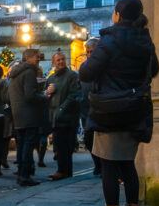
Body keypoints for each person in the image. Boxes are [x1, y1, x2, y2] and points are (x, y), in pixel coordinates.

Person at [79, 0, 159, 206]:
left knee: (110, 167)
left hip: (109, 110)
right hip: (135, 108)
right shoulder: (145, 40)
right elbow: (154, 70)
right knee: (128, 165)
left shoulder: (109, 40)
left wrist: (93, 62)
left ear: (117, 14)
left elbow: (85, 73)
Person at [8, 47, 47, 187]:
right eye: (36, 56)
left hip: (18, 114)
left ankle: (21, 174)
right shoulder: (29, 71)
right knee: (27, 147)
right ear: (28, 58)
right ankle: (25, 176)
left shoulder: (15, 73)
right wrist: (44, 96)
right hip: (28, 115)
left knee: (22, 145)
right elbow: (30, 95)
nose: (38, 58)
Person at [45, 51, 81, 180]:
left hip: (68, 117)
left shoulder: (72, 76)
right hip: (55, 118)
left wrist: (61, 109)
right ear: (53, 63)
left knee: (68, 146)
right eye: (58, 60)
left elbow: (74, 95)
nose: (61, 62)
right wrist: (47, 92)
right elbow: (46, 95)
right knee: (59, 146)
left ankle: (66, 171)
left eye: (62, 59)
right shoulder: (51, 78)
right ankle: (62, 171)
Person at [78, 36, 102, 176]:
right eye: (87, 52)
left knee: (102, 141)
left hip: (100, 108)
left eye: (92, 52)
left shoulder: (103, 66)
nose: (89, 55)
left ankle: (103, 166)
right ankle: (97, 164)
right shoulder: (83, 67)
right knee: (89, 139)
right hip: (86, 109)